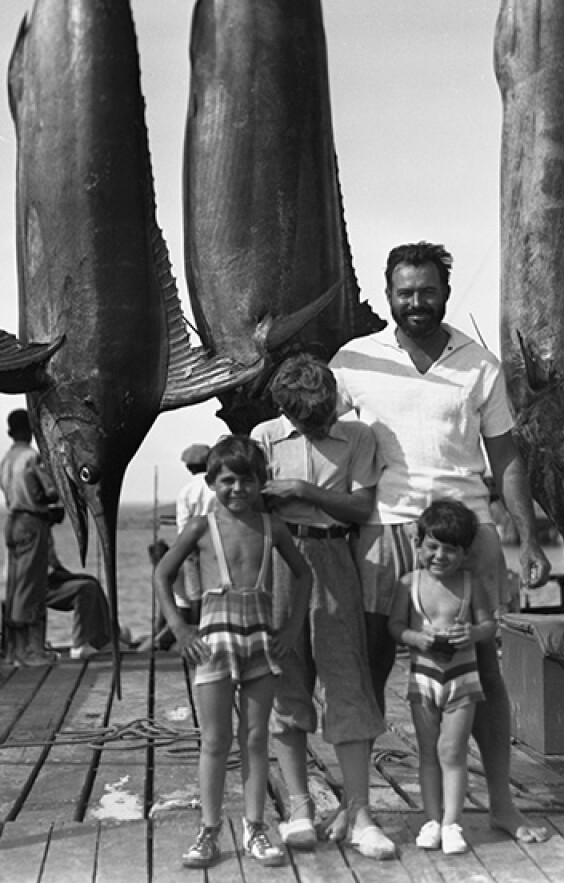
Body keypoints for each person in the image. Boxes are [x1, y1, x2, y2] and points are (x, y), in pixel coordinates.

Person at [329, 240, 553, 845]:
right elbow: (319, 432)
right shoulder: (354, 359)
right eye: (405, 293)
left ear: (445, 293)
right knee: (370, 664)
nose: (416, 303)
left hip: (468, 530)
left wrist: (527, 536)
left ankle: (502, 805)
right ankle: (358, 807)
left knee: (483, 670)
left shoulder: (479, 364)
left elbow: (505, 456)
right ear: (388, 295)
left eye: (427, 291)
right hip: (386, 527)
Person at [250, 353, 395, 861]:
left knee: (347, 681)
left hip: (335, 556)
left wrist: (303, 492)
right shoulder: (264, 439)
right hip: (281, 563)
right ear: (287, 410)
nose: (320, 423)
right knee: (287, 681)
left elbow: (361, 506)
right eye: (308, 417)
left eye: (325, 411)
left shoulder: (357, 437)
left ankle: (360, 814)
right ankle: (298, 806)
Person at [154, 436, 311, 870]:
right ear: (211, 482)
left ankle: (256, 826)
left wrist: (292, 628)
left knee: (256, 737)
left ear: (261, 482)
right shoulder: (201, 527)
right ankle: (208, 829)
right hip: (215, 643)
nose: (237, 489)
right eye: (227, 481)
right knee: (216, 739)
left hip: (260, 641)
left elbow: (304, 575)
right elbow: (162, 574)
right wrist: (180, 628)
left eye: (247, 481)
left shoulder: (271, 527)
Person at [389, 500, 496, 855]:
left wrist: (474, 634)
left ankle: (452, 822)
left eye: (451, 549)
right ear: (418, 545)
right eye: (432, 547)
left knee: (452, 751)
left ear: (465, 553)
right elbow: (395, 627)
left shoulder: (471, 583)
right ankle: (431, 819)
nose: (440, 555)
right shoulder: (409, 584)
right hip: (423, 679)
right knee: (427, 752)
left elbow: (489, 625)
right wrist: (414, 638)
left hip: (463, 680)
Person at [0, 409, 61, 666]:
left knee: (15, 585)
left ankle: (13, 650)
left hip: (11, 521)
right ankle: (29, 652)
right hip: (31, 522)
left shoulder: (7, 459)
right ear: (31, 430)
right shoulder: (32, 457)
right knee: (29, 588)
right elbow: (50, 492)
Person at [172, 442, 216, 624]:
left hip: (192, 544)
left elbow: (182, 525)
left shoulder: (186, 491)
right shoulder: (215, 488)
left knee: (194, 590)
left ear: (189, 467)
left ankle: (198, 627)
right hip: (214, 541)